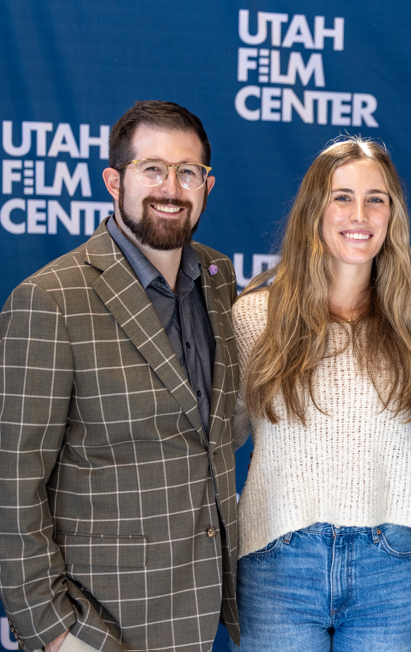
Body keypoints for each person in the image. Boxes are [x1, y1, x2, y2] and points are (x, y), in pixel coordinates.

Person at [0, 101, 242, 652]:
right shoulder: (49, 301)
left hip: (200, 612)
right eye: (152, 169)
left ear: (207, 184)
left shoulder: (218, 276)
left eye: (188, 172)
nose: (171, 188)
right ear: (115, 180)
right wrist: (54, 632)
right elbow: (11, 483)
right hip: (97, 622)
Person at [229, 137, 411, 652]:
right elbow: (217, 439)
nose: (359, 213)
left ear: (393, 215)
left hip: (388, 563)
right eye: (341, 196)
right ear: (314, 211)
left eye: (376, 198)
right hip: (278, 556)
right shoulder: (255, 317)